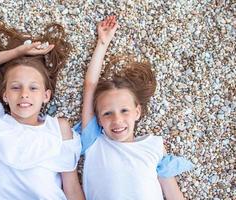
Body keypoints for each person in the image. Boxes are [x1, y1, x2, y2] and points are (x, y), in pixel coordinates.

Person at [0, 22, 85, 200]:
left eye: (33, 88)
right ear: (5, 96)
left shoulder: (59, 128)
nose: (24, 94)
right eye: (16, 87)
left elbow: (72, 188)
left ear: (46, 96)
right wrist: (16, 53)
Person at [74, 16, 193, 200]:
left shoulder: (153, 146)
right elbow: (90, 85)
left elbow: (173, 194)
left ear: (137, 112)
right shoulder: (94, 141)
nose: (117, 120)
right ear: (98, 119)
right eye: (107, 113)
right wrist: (102, 44)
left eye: (124, 110)